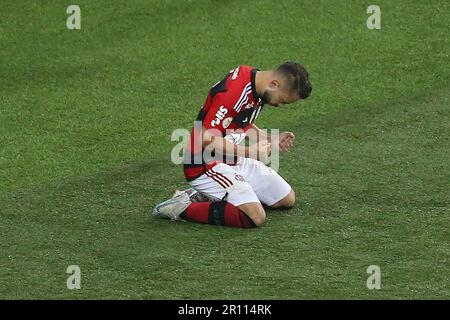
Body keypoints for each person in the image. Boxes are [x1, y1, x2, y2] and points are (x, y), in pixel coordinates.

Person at [153, 62, 312, 228]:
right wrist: (249, 152)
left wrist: (271, 138)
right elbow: (205, 137)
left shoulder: (257, 87)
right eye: (283, 101)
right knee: (255, 217)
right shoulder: (234, 92)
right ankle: (181, 207)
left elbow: (241, 122)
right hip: (205, 164)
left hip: (231, 160)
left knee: (286, 198)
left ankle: (208, 194)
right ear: (274, 84)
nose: (279, 105)